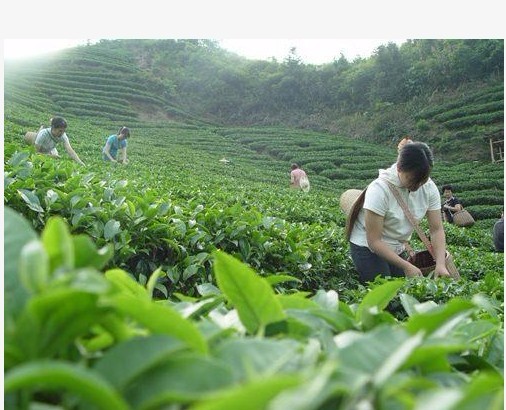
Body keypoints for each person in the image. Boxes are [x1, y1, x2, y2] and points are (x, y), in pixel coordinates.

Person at [348, 141, 451, 283]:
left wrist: (440, 264)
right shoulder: (379, 190)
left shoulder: (429, 187)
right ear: (399, 168)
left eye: (422, 181)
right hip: (367, 246)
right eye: (412, 180)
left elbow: (436, 229)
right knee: (385, 292)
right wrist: (406, 266)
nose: (417, 186)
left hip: (396, 245)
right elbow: (374, 241)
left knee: (401, 291)